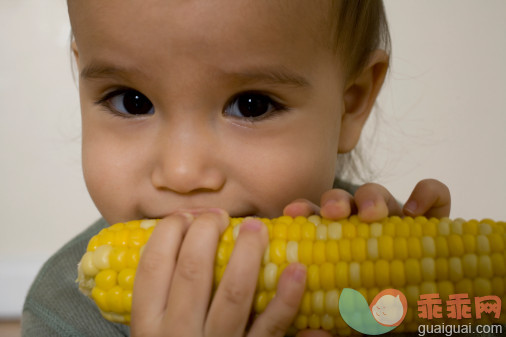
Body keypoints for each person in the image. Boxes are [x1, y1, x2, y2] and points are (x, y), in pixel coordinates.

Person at [22, 1, 451, 336]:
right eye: (131, 100)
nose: (183, 172)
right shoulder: (62, 312)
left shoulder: (371, 255)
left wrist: (429, 307)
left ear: (350, 102)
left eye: (252, 105)